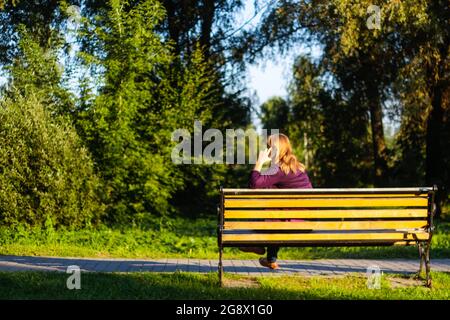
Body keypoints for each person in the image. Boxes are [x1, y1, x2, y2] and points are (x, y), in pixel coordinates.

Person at [240, 133, 313, 269]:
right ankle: (270, 259)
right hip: (306, 221)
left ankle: (256, 244)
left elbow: (254, 184)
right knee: (277, 213)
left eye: (269, 147)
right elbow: (268, 185)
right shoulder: (297, 167)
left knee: (273, 216)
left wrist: (259, 162)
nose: (267, 150)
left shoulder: (278, 169)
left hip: (291, 223)